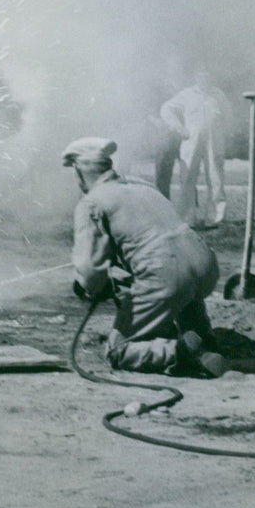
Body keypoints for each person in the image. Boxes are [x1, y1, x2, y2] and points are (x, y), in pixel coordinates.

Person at [64, 136, 226, 377]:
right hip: (205, 265)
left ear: (79, 171)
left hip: (167, 273)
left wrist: (88, 287)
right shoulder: (142, 186)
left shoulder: (92, 203)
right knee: (179, 283)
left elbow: (90, 272)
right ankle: (202, 336)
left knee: (119, 350)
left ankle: (182, 351)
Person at [159, 71, 230, 227]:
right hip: (191, 140)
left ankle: (215, 218)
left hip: (214, 141)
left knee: (215, 177)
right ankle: (187, 218)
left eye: (207, 75)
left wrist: (222, 133)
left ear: (212, 77)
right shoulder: (187, 94)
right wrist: (179, 127)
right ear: (196, 77)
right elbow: (166, 109)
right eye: (200, 75)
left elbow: (228, 116)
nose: (204, 78)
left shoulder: (218, 95)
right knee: (187, 177)